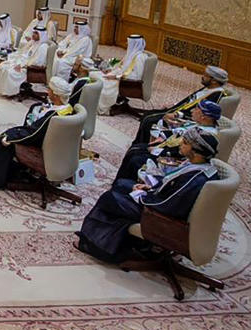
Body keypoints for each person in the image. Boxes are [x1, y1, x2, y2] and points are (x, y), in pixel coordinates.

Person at [76, 127, 220, 264]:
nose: (181, 143)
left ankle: (94, 245)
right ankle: (126, 241)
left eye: (186, 143)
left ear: (196, 151)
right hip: (159, 202)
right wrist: (150, 187)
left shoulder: (195, 178)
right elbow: (171, 189)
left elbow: (167, 205)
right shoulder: (200, 166)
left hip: (161, 217)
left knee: (110, 198)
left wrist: (142, 196)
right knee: (121, 184)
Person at [0, 77, 88, 189]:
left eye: (49, 89)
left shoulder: (52, 117)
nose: (47, 91)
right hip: (60, 152)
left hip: (42, 149)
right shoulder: (69, 109)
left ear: (55, 95)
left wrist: (9, 137)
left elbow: (33, 134)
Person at [115, 100, 221, 181]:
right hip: (170, 148)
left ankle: (125, 185)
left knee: (135, 158)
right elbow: (179, 134)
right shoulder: (200, 125)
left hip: (175, 158)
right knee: (135, 149)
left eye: (196, 109)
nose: (192, 110)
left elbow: (186, 151)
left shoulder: (205, 135)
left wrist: (158, 151)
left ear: (204, 117)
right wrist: (163, 137)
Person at [132, 65, 229, 146]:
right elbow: (191, 101)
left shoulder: (216, 94)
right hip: (179, 110)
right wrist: (174, 105)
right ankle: (139, 143)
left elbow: (203, 114)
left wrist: (176, 115)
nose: (202, 76)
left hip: (185, 118)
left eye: (206, 75)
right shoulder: (208, 88)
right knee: (147, 115)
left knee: (149, 120)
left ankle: (144, 146)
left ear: (214, 81)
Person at [0, 26, 50, 97]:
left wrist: (22, 66)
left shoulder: (43, 47)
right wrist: (15, 60)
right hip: (22, 62)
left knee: (10, 72)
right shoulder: (33, 42)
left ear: (41, 35)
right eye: (33, 32)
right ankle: (0, 89)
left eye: (36, 33)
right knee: (3, 65)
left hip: (29, 69)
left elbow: (38, 62)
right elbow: (23, 53)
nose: (33, 35)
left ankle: (9, 92)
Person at [97, 34, 147, 114]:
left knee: (101, 82)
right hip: (119, 77)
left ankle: (103, 107)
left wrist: (116, 77)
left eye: (128, 43)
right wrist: (111, 70)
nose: (126, 44)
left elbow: (135, 76)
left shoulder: (139, 57)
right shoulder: (131, 54)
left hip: (126, 82)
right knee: (96, 75)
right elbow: (121, 66)